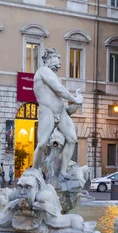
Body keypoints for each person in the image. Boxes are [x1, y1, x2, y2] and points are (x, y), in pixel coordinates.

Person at [32, 48, 84, 178]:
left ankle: (63, 171)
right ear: (48, 59)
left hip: (61, 112)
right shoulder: (43, 71)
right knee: (42, 143)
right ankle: (34, 172)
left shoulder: (54, 75)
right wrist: (74, 99)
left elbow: (65, 106)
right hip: (47, 111)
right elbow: (59, 90)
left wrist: (77, 103)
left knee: (72, 139)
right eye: (57, 60)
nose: (59, 64)